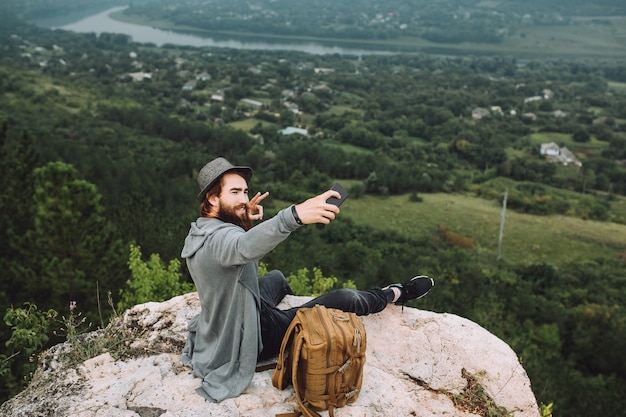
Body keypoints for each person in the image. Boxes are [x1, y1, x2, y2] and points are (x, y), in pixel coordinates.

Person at [180, 157, 434, 402]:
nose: (244, 198)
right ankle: (395, 293)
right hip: (254, 333)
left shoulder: (202, 229)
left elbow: (235, 250)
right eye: (235, 192)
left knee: (277, 278)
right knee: (342, 298)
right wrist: (293, 216)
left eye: (245, 192)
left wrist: (244, 221)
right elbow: (239, 248)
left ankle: (295, 321)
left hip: (239, 311)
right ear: (212, 197)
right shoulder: (219, 240)